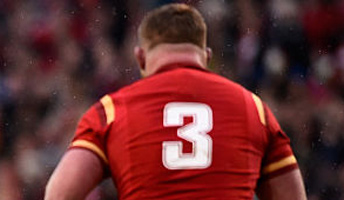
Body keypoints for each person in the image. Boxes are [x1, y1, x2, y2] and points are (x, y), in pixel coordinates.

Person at [44, 3, 305, 200]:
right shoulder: (254, 108)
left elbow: (59, 194)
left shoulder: (111, 111)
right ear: (206, 55)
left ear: (140, 58)